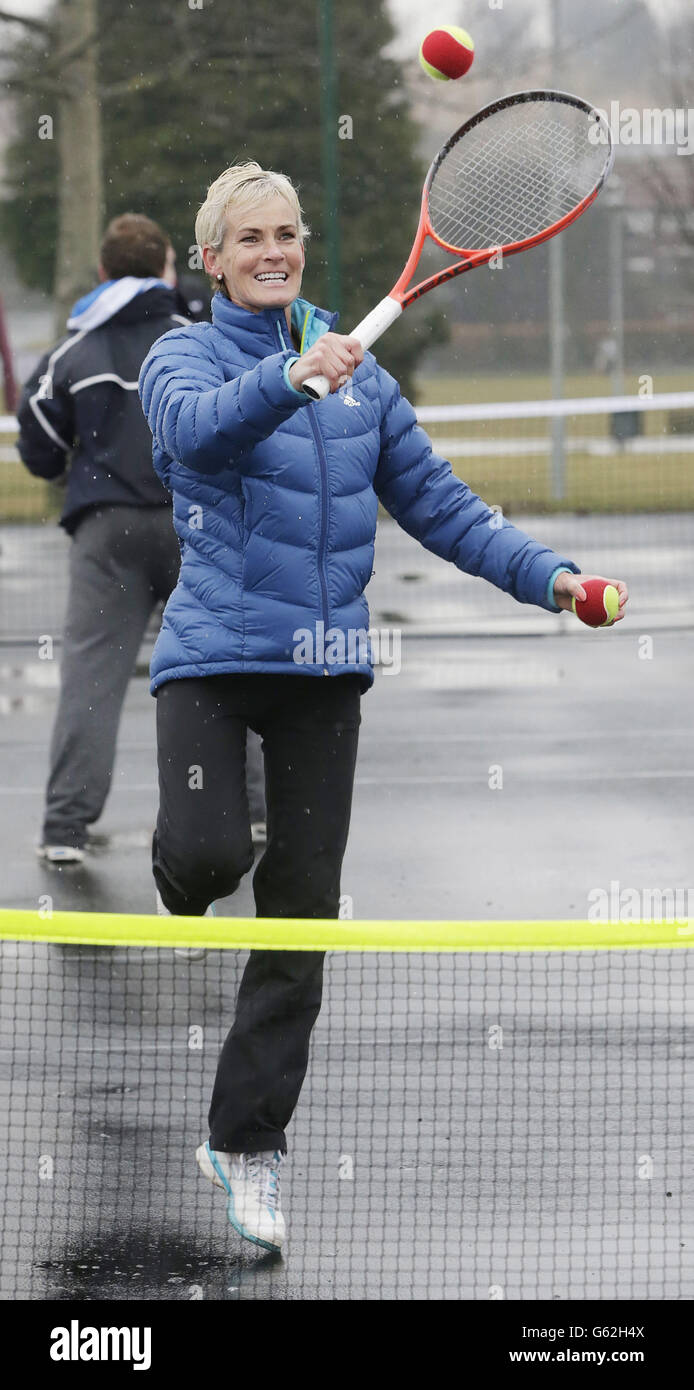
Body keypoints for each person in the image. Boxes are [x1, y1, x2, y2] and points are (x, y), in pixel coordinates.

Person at [138, 161, 628, 1254]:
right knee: (212, 859)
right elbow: (191, 434)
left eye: (288, 234)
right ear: (210, 257)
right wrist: (289, 380)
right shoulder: (181, 352)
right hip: (212, 661)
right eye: (250, 237)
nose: (274, 251)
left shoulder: (365, 383)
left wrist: (553, 578)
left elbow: (445, 507)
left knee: (303, 912)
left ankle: (247, 1144)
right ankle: (185, 869)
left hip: (323, 668)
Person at [17, 214, 189, 862]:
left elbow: (36, 433)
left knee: (91, 680)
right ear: (166, 270)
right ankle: (251, 815)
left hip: (105, 531)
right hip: (191, 526)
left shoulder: (73, 352)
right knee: (225, 671)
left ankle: (65, 829)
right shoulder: (195, 341)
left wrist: (72, 465)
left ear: (102, 272)